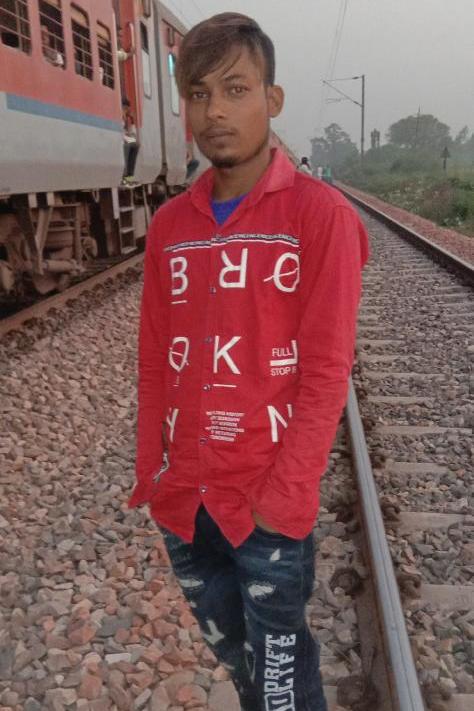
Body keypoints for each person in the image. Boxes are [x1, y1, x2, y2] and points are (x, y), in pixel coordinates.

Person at [129, 12, 369, 711]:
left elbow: (327, 372)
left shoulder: (319, 216)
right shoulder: (170, 227)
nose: (215, 111)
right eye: (198, 93)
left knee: (282, 681)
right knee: (239, 662)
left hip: (265, 504)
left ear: (273, 98)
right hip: (185, 502)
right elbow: (153, 360)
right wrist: (152, 472)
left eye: (236, 89)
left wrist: (284, 499)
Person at [121, 99, 139, 184]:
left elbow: (133, 133)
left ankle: (129, 178)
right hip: (119, 137)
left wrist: (132, 121)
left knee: (135, 145)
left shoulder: (126, 117)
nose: (127, 110)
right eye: (126, 108)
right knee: (129, 145)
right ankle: (125, 176)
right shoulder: (120, 115)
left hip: (123, 138)